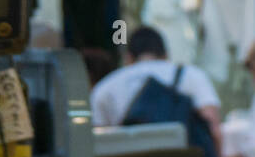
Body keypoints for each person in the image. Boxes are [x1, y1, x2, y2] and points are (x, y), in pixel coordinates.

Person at [89, 25, 223, 149]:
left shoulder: (105, 87)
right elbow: (212, 127)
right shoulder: (192, 75)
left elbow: (98, 143)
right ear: (165, 55)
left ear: (128, 58)